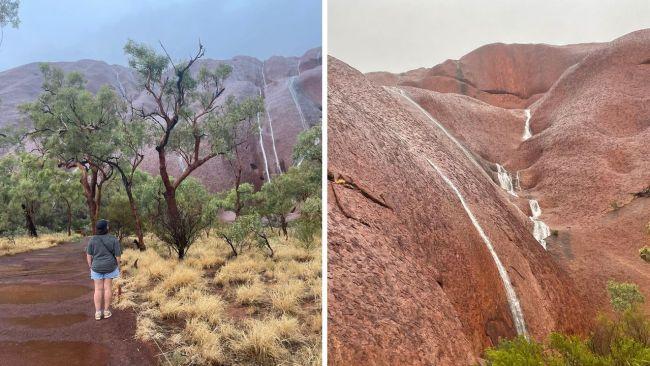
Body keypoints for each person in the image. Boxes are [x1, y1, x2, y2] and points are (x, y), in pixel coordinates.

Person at [86, 219, 121, 320]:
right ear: (107, 228)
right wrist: (117, 265)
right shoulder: (113, 239)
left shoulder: (92, 239)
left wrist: (91, 266)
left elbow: (89, 255)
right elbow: (118, 256)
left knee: (98, 289)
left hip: (96, 267)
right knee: (107, 288)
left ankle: (97, 313)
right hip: (110, 267)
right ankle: (106, 311)